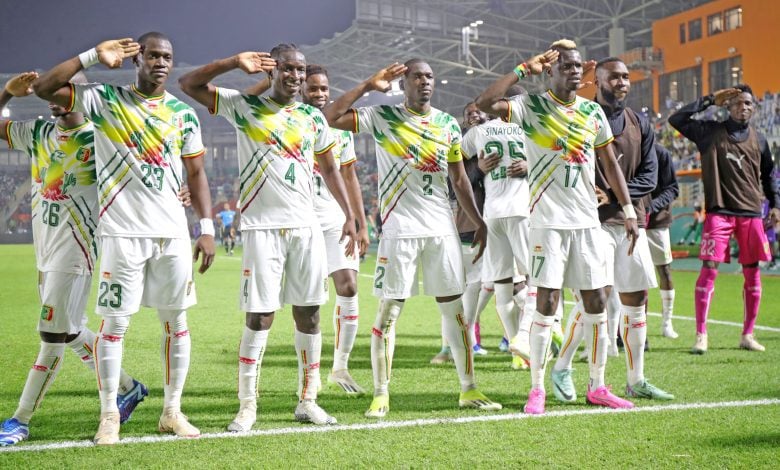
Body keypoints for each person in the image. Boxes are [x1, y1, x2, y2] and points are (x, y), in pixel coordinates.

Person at [34, 33, 216, 445]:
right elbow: (43, 88)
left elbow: (196, 174)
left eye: (167, 57)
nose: (161, 63)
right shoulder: (105, 100)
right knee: (115, 326)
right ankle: (109, 416)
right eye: (153, 55)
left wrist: (206, 228)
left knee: (177, 323)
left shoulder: (184, 114)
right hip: (121, 233)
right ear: (138, 60)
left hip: (171, 233)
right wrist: (92, 56)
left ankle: (172, 411)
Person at [178, 44, 357, 429]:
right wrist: (231, 60)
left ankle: (308, 400)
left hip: (306, 227)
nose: (295, 76)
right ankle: (248, 405)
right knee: (259, 317)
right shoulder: (245, 107)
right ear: (272, 72)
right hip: (262, 230)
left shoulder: (312, 118)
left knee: (309, 314)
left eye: (300, 69)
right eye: (288, 69)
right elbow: (189, 83)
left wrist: (350, 216)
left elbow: (329, 168)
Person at [324, 59, 502, 418]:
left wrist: (478, 221)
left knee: (455, 312)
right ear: (403, 83)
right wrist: (368, 85)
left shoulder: (447, 124)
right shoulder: (382, 117)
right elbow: (329, 117)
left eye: (430, 76)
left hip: (441, 229)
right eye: (417, 76)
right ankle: (381, 393)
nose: (425, 82)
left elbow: (459, 179)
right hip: (398, 230)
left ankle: (468, 389)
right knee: (389, 313)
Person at [475, 39, 638, 414]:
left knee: (596, 300)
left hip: (586, 222)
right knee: (546, 303)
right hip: (546, 224)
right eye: (565, 65)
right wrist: (521, 70)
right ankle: (537, 389)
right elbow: (485, 103)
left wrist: (627, 208)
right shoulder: (529, 107)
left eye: (578, 66)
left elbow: (609, 163)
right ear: (550, 71)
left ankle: (597, 385)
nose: (574, 71)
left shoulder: (592, 113)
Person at [0, 72, 147, 446]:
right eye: (51, 88)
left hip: (76, 250)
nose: (54, 94)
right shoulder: (37, 133)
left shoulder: (102, 139)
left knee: (52, 336)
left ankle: (20, 419)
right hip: (45, 250)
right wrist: (5, 93)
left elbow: (145, 169)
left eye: (64, 87)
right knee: (69, 330)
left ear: (80, 94)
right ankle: (128, 388)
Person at [550, 57, 673, 404]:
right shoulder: (580, 116)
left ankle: (636, 380)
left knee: (637, 299)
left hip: (631, 220)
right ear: (597, 80)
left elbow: (650, 177)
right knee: (597, 297)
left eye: (625, 77)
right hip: (592, 221)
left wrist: (618, 198)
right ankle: (563, 367)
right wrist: (594, 195)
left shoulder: (639, 122)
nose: (621, 82)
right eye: (614, 77)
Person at [243, 63, 370, 395]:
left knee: (349, 286)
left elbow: (349, 175)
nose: (320, 94)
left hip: (331, 215)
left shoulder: (339, 130)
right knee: (292, 305)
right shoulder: (280, 118)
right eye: (313, 89)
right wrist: (268, 81)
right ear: (301, 89)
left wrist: (359, 221)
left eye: (324, 89)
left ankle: (340, 367)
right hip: (295, 214)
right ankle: (262, 386)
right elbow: (245, 102)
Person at [669, 84, 780, 353]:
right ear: (728, 106)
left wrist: (775, 206)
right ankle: (701, 335)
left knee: (752, 275)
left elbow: (768, 177)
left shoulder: (761, 140)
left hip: (751, 214)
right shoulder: (709, 133)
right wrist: (708, 100)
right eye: (740, 103)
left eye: (749, 104)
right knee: (709, 271)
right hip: (719, 213)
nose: (745, 107)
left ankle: (747, 335)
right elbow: (677, 119)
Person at [462, 91, 537, 371]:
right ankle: (526, 336)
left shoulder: (479, 132)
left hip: (492, 214)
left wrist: (478, 168)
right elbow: (556, 159)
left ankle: (518, 346)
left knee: (503, 283)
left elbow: (453, 159)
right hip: (521, 211)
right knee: (536, 278)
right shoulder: (528, 127)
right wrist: (531, 165)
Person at [431, 101, 495, 364]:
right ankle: (451, 345)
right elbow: (452, 181)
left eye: (478, 111)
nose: (474, 116)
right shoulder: (460, 147)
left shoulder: (497, 141)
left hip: (500, 222)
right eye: (469, 113)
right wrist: (479, 170)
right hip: (468, 224)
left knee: (494, 285)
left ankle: (471, 336)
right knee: (465, 287)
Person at [646, 143, 681, 338]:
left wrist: (651, 207)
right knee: (631, 276)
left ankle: (667, 323)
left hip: (657, 222)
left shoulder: (661, 153)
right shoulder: (628, 149)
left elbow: (672, 189)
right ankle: (623, 328)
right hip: (630, 220)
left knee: (664, 271)